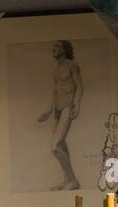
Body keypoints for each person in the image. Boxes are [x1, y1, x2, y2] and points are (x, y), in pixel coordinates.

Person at [37, 40, 82, 191]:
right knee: (61, 145)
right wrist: (48, 111)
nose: (53, 49)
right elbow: (54, 91)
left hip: (67, 107)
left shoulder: (72, 65)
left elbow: (79, 86)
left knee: (55, 146)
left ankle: (73, 180)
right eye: (53, 46)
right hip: (56, 110)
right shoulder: (55, 70)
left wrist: (77, 104)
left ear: (64, 49)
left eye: (57, 46)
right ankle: (66, 180)